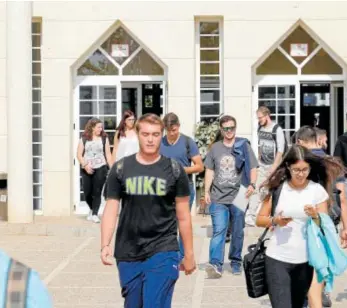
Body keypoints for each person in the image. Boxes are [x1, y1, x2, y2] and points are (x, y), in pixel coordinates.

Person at [100, 113, 196, 307]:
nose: (150, 139)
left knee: (154, 303)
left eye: (155, 134)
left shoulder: (175, 170)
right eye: (145, 134)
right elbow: (111, 209)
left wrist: (189, 253)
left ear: (161, 135)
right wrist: (105, 244)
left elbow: (183, 217)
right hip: (128, 251)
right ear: (137, 134)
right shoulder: (120, 169)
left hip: (163, 248)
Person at [256, 145, 344, 308]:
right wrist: (275, 220)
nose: (301, 174)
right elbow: (259, 219)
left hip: (305, 262)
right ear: (288, 167)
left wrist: (315, 216)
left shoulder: (316, 190)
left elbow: (325, 227)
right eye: (296, 169)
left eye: (305, 169)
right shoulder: (278, 188)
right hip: (277, 258)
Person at [294, 126, 347, 308]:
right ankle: (322, 290)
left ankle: (307, 297)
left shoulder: (298, 163)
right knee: (322, 260)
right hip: (327, 220)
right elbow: (342, 196)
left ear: (300, 142)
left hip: (301, 220)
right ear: (318, 141)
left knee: (303, 263)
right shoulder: (333, 163)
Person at [204, 115, 258, 278]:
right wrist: (206, 191)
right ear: (221, 129)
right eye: (226, 128)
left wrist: (252, 184)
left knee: (237, 231)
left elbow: (253, 167)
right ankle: (215, 264)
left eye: (232, 128)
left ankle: (235, 261)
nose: (229, 131)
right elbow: (209, 170)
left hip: (240, 194)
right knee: (219, 230)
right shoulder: (215, 148)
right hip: (218, 196)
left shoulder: (243, 145)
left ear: (236, 128)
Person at [160, 112, 204, 260]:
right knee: (167, 223)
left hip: (184, 188)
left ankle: (182, 256)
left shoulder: (187, 142)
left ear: (178, 126)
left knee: (182, 222)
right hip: (164, 189)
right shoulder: (160, 142)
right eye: (169, 131)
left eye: (174, 130)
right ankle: (169, 255)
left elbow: (199, 166)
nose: (172, 133)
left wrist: (182, 169)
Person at [246, 106, 287, 226]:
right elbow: (260, 146)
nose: (259, 120)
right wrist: (258, 163)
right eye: (258, 118)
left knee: (267, 191)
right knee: (257, 189)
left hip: (273, 167)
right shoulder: (260, 128)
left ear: (267, 115)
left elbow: (280, 150)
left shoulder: (276, 129)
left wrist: (274, 167)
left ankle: (265, 215)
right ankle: (251, 216)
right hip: (262, 165)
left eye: (260, 118)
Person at [76, 118, 113, 223]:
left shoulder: (104, 138)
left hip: (101, 167)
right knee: (87, 192)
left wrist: (112, 168)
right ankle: (92, 209)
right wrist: (85, 165)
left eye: (101, 127)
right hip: (87, 167)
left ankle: (95, 214)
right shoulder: (84, 138)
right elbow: (79, 154)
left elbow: (108, 154)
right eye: (98, 127)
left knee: (97, 192)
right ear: (92, 127)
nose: (101, 129)